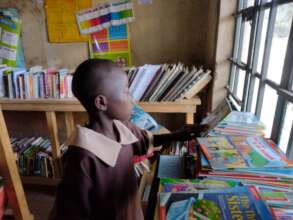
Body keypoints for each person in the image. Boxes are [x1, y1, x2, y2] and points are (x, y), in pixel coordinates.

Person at [49, 59, 207, 220]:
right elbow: (69, 212)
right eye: (126, 92)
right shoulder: (81, 158)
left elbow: (145, 141)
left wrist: (179, 134)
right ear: (101, 102)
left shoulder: (121, 127)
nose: (132, 100)